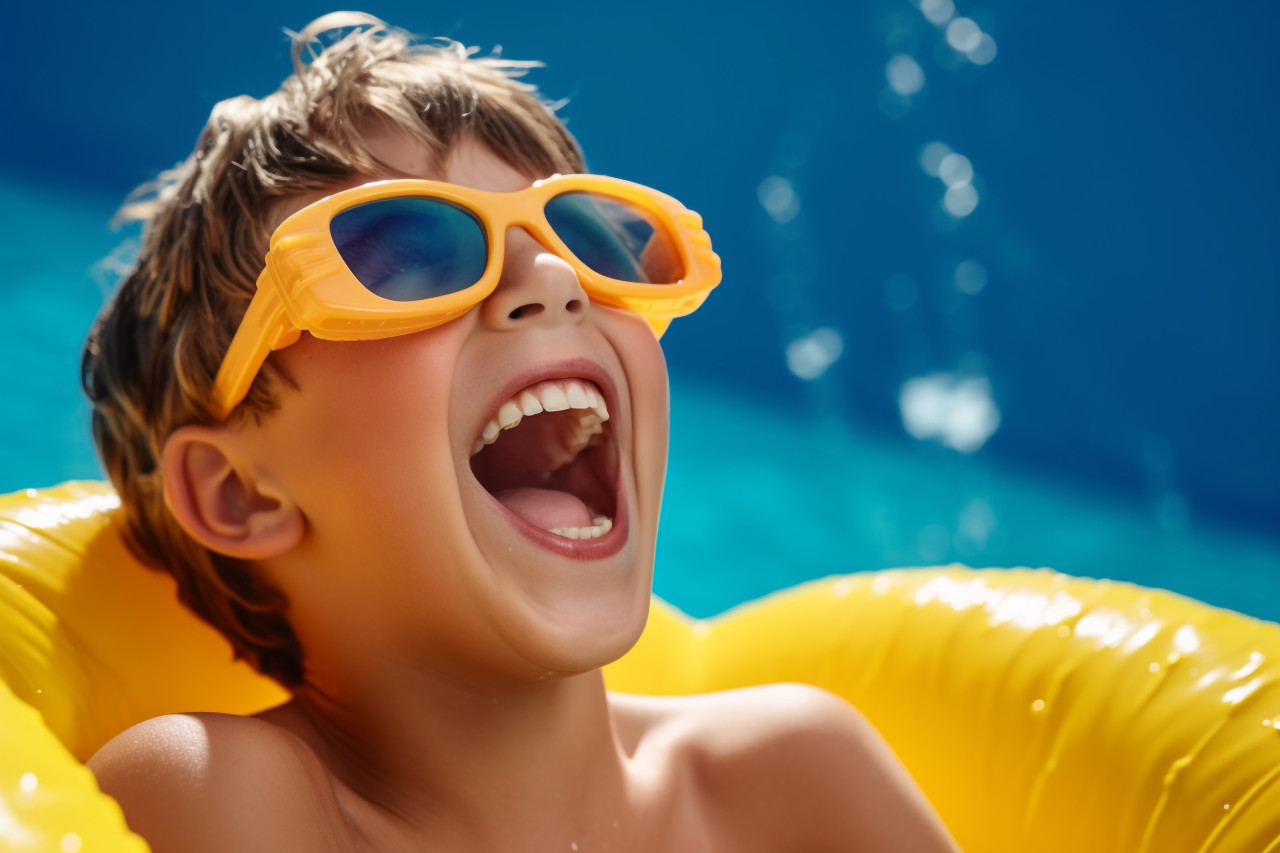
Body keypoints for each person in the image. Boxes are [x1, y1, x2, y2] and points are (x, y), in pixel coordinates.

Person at [83, 12, 962, 851]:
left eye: (588, 239)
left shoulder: (794, 773)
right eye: (412, 253)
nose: (553, 279)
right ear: (240, 492)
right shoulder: (213, 788)